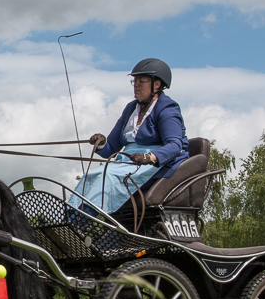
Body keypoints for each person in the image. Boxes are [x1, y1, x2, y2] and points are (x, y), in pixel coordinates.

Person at [70, 58, 188, 214]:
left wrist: (150, 157)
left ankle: (81, 221)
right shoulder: (131, 108)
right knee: (91, 175)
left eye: (142, 81)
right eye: (135, 81)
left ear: (157, 84)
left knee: (108, 177)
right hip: (127, 163)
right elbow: (111, 148)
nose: (136, 85)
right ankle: (69, 216)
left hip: (156, 165)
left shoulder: (167, 108)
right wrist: (100, 143)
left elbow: (175, 145)